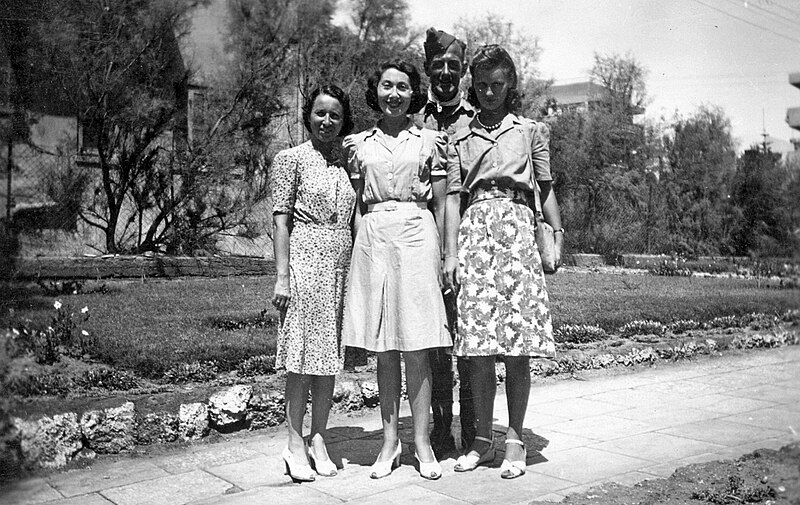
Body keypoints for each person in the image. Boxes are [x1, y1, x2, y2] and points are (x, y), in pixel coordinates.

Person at [442, 45, 564, 479]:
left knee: (517, 346)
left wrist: (556, 235)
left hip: (516, 233)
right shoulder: (460, 136)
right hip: (475, 232)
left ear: (510, 83)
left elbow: (545, 189)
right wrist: (452, 253)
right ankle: (481, 438)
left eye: (497, 84)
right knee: (477, 348)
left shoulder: (532, 131)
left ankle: (514, 437)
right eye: (481, 86)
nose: (489, 92)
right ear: (471, 87)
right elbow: (454, 200)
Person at [341, 60, 457, 480]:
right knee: (384, 347)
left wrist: (447, 255)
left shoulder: (431, 142)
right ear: (377, 91)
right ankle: (389, 443)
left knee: (418, 344)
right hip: (374, 238)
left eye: (403, 87)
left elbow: (442, 204)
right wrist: (362, 244)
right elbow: (357, 202)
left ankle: (422, 442)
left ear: (414, 94)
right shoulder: (359, 144)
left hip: (416, 234)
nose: (394, 94)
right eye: (387, 86)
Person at [271, 85, 356, 483]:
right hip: (305, 263)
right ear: (309, 116)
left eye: (335, 115)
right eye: (321, 113)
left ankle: (319, 437)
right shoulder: (291, 160)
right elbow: (281, 221)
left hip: (340, 266)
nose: (327, 121)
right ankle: (293, 443)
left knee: (328, 358)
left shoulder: (346, 163)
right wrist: (283, 277)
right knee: (302, 357)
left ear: (343, 120)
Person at [420, 27, 476, 458]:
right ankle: (440, 429)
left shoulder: (477, 120)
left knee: (471, 338)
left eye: (453, 66)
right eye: (437, 65)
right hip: (423, 243)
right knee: (435, 340)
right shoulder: (412, 119)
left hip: (471, 241)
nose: (444, 73)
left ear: (463, 74)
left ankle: (474, 428)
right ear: (426, 69)